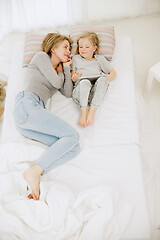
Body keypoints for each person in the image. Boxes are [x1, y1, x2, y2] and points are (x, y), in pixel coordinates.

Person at [13, 33, 80, 200]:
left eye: (70, 49)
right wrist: (63, 70)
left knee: (73, 147)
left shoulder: (57, 72)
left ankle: (35, 172)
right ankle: (35, 171)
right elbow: (58, 84)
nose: (69, 51)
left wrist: (65, 68)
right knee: (72, 135)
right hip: (27, 104)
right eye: (65, 47)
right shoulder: (41, 57)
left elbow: (68, 92)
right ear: (53, 47)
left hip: (30, 117)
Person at [71, 32, 116, 128]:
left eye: (87, 47)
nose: (83, 49)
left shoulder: (99, 59)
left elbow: (113, 73)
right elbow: (73, 76)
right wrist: (75, 77)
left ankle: (92, 110)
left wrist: (105, 81)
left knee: (103, 79)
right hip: (80, 91)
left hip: (93, 94)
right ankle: (83, 112)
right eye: (81, 47)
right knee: (85, 82)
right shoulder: (76, 58)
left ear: (94, 48)